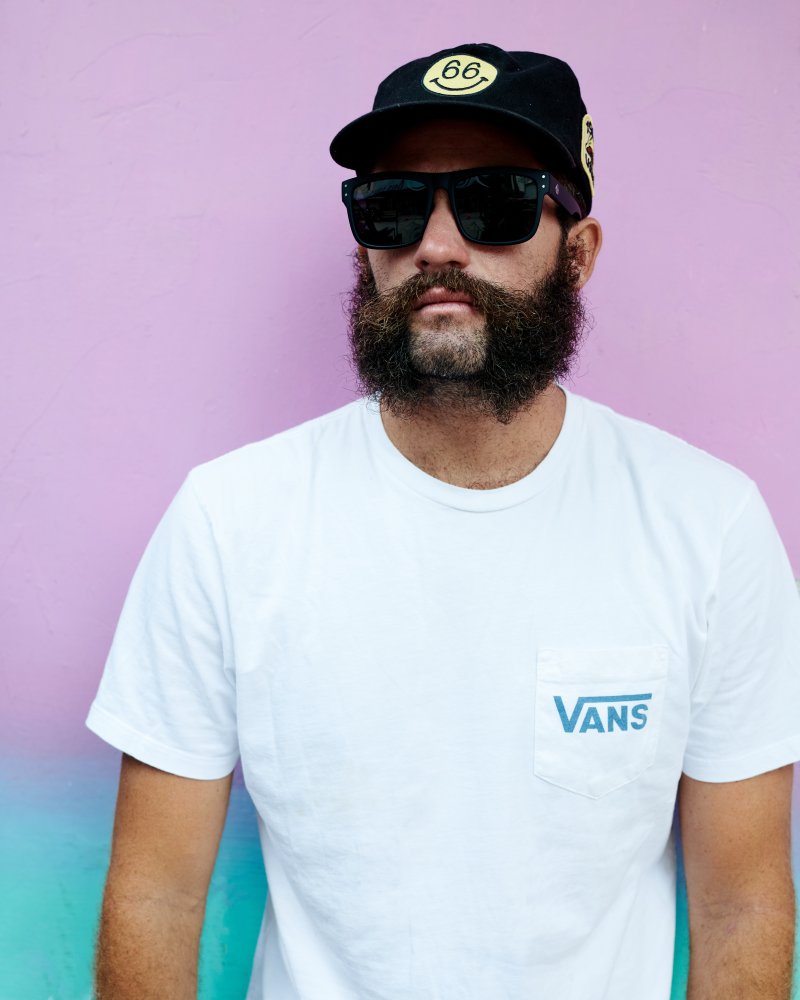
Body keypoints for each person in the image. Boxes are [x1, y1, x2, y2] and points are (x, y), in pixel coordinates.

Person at [87, 43, 800, 1000]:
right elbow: (156, 896)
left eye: (495, 202)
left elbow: (742, 902)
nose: (437, 243)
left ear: (577, 254)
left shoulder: (706, 525)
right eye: (393, 205)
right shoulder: (231, 520)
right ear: (364, 249)